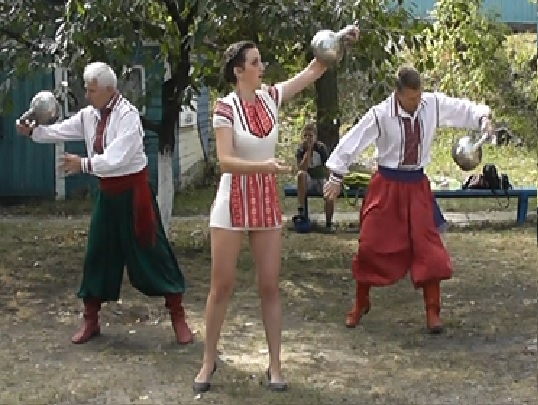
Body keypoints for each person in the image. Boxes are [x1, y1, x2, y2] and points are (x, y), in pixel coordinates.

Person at [193, 27, 360, 394]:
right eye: (255, 62)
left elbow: (313, 70)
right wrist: (264, 167)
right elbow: (225, 161)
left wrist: (339, 39)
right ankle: (208, 360)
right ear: (239, 71)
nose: (262, 67)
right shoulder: (224, 108)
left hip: (265, 200)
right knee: (221, 285)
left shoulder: (271, 97)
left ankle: (275, 364)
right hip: (232, 199)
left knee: (269, 285)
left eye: (260, 61)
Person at [15, 62, 193, 345]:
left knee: (153, 251)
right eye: (86, 90)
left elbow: (116, 159)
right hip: (107, 195)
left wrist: (82, 164)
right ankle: (91, 319)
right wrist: (33, 132)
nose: (87, 96)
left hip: (134, 195)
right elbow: (60, 130)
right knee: (98, 253)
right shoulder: (89, 115)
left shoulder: (128, 117)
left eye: (92, 90)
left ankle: (177, 315)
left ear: (110, 90)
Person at [323, 65, 491, 334]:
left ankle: (432, 311)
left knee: (429, 250)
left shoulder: (431, 104)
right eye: (411, 98)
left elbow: (462, 109)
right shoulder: (381, 114)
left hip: (416, 186)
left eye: (419, 95)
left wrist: (482, 118)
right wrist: (336, 175)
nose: (416, 102)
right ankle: (361, 302)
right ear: (398, 93)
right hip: (386, 186)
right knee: (370, 246)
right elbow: (354, 140)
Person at [295, 123, 335, 231]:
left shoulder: (321, 148)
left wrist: (330, 183)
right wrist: (308, 151)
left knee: (329, 193)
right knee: (301, 175)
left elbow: (327, 167)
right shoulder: (300, 149)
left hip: (320, 179)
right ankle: (301, 210)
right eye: (305, 136)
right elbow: (302, 168)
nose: (308, 138)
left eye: (310, 136)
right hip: (307, 180)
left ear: (315, 137)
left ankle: (328, 223)